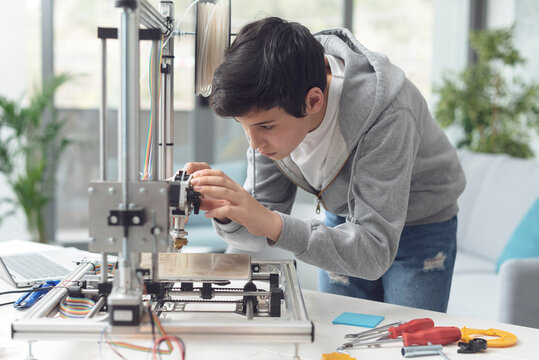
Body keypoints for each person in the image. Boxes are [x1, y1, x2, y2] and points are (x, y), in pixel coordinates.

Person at [184, 17, 466, 312]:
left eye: (265, 127)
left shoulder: (388, 113)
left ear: (313, 101)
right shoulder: (270, 106)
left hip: (421, 223)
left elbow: (373, 250)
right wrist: (228, 209)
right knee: (338, 337)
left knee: (407, 343)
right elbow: (258, 230)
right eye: (245, 127)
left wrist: (272, 223)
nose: (253, 144)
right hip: (343, 216)